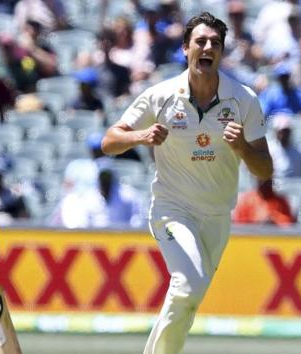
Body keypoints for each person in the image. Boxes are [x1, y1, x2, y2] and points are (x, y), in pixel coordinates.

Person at [101, 12, 273, 354]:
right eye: (200, 41)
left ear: (222, 53)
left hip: (217, 216)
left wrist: (240, 147)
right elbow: (109, 141)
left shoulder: (243, 100)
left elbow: (265, 169)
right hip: (172, 209)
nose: (207, 47)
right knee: (188, 285)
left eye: (215, 43)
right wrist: (142, 136)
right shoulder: (161, 95)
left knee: (189, 300)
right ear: (185, 48)